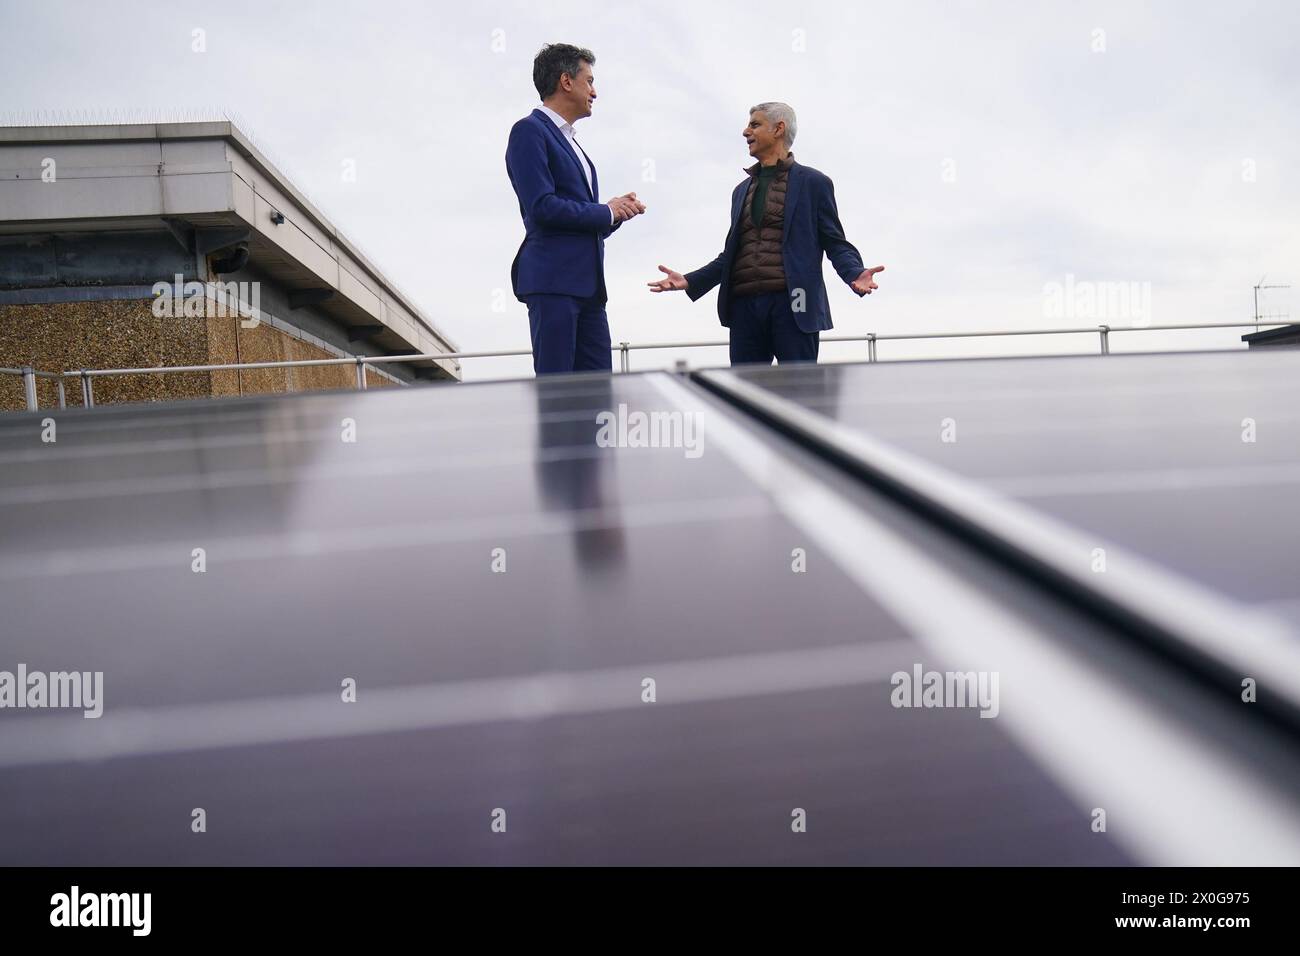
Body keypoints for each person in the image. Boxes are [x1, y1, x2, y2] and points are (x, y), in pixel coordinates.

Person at [647, 102, 883, 365]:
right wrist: (690, 280)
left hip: (796, 302)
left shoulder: (814, 183)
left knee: (799, 393)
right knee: (745, 396)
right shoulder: (740, 191)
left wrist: (854, 271)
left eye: (755, 125)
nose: (745, 131)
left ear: (779, 129)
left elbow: (834, 241)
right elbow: (733, 254)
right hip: (744, 306)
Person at [505, 43, 646, 374]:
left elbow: (579, 216)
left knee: (597, 396)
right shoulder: (528, 131)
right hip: (554, 284)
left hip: (590, 290)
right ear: (566, 82)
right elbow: (542, 207)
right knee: (559, 399)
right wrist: (605, 211)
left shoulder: (573, 143)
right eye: (590, 81)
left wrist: (617, 213)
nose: (594, 91)